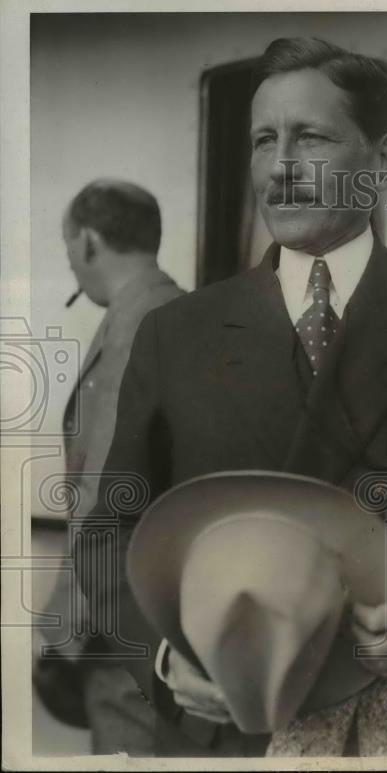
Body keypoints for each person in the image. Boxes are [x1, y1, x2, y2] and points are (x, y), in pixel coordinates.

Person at [73, 37, 387, 757]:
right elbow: (107, 536)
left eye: (311, 138)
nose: (282, 170)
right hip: (223, 728)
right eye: (265, 141)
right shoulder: (178, 333)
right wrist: (166, 659)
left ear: (383, 161)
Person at [36, 180, 183, 754]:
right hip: (155, 602)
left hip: (118, 613)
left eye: (69, 244)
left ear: (91, 242)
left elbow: (104, 490)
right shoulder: (173, 309)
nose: (72, 259)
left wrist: (68, 628)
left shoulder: (136, 327)